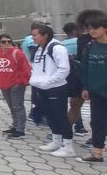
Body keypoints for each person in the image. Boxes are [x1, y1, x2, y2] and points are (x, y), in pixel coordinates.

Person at [78, 13, 107, 163]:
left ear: (106, 28)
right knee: (97, 123)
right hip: (96, 93)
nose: (91, 31)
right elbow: (84, 68)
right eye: (89, 28)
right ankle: (97, 154)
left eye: (95, 28)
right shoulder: (90, 46)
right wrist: (85, 87)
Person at [32, 24, 75, 156]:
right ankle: (56, 141)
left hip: (56, 88)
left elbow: (64, 69)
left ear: (45, 35)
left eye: (35, 35)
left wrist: (48, 81)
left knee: (60, 116)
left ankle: (68, 146)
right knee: (50, 115)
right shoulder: (39, 48)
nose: (32, 38)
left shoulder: (57, 48)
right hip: (42, 87)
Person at [0, 34, 31, 138]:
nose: (7, 43)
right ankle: (15, 126)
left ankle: (20, 130)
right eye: (4, 42)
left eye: (9, 41)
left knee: (18, 106)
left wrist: (20, 82)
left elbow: (25, 69)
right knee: (11, 106)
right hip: (4, 84)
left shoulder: (17, 53)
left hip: (16, 84)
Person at [63, 22, 88, 135]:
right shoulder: (80, 41)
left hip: (71, 77)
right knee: (77, 104)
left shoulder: (62, 43)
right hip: (81, 75)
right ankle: (78, 128)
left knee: (75, 104)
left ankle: (72, 129)